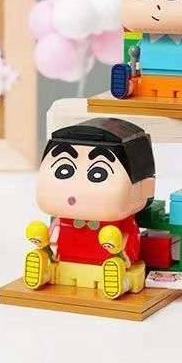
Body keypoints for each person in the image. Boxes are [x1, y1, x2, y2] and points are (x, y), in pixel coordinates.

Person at [23, 118, 156, 299]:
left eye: (98, 173)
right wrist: (44, 242)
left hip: (109, 259)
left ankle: (120, 279)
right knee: (54, 263)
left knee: (129, 269)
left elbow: (131, 239)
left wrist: (119, 249)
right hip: (66, 259)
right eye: (64, 170)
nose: (76, 188)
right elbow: (53, 232)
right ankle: (46, 270)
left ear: (142, 186)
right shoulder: (63, 217)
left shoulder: (121, 218)